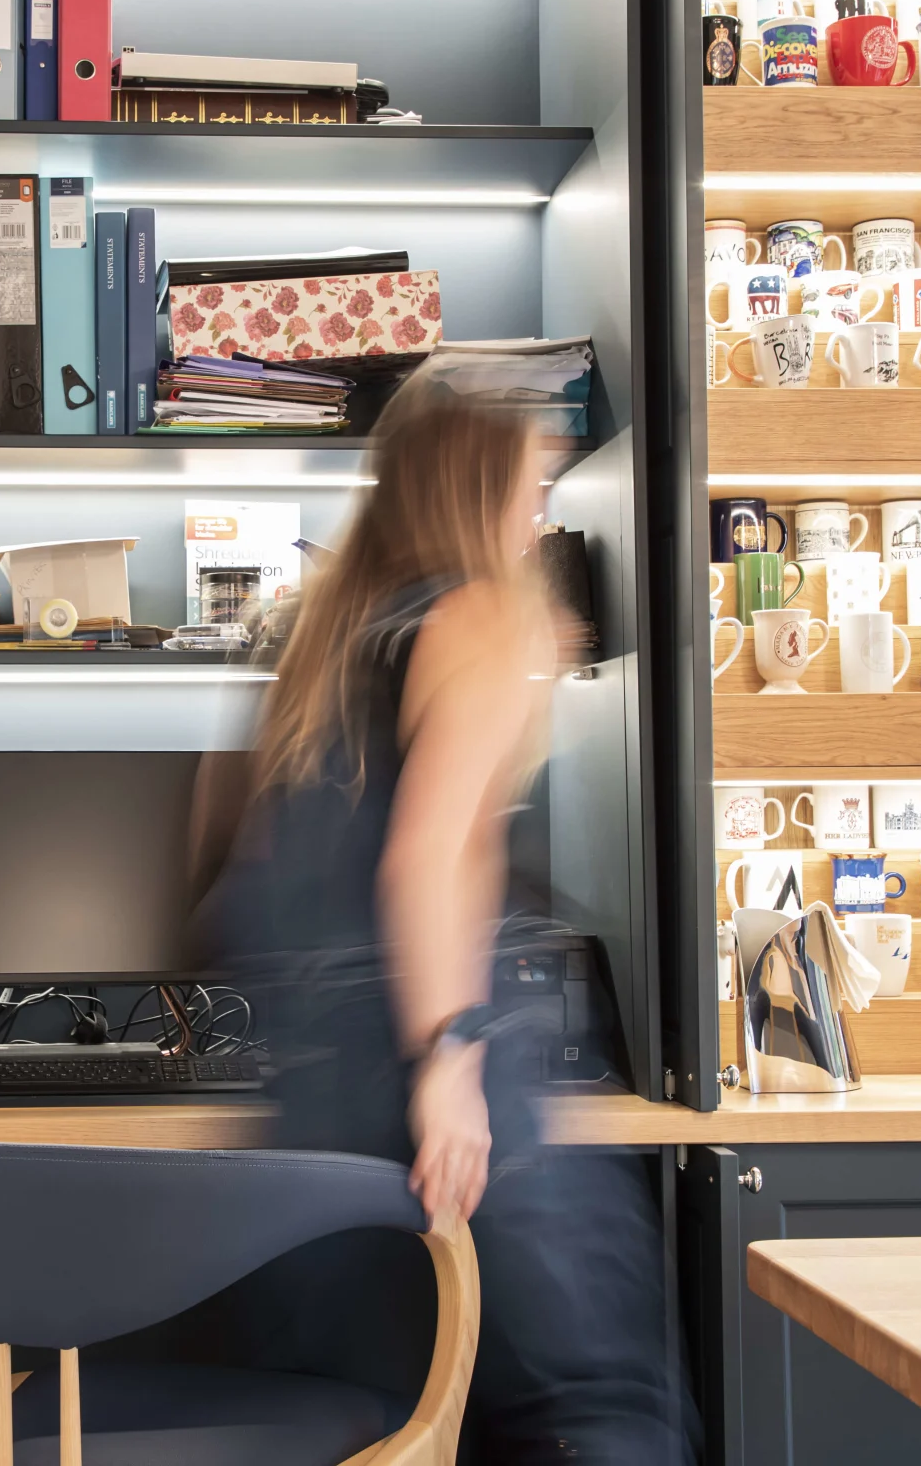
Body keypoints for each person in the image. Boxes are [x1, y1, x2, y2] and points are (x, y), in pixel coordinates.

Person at [190, 378, 695, 1463]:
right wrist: (448, 1058)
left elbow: (225, 869)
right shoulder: (477, 614)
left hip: (314, 1104)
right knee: (597, 1410)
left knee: (383, 1426)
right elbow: (431, 857)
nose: (538, 517)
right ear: (474, 492)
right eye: (529, 489)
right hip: (436, 1076)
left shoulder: (315, 646)